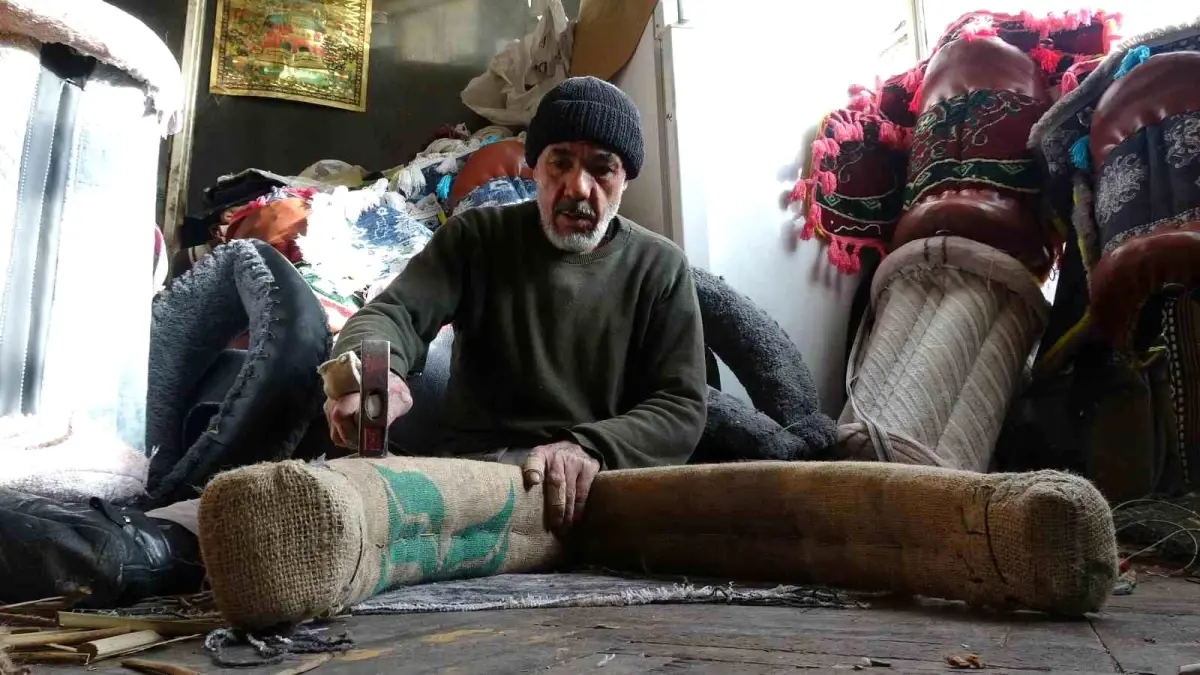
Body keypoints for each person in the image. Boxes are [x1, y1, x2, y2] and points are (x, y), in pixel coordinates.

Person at [325, 76, 708, 534]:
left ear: (625, 179)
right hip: (477, 472)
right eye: (559, 163)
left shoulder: (660, 267)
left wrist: (588, 447)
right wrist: (375, 373)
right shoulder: (476, 239)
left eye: (601, 169)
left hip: (596, 474)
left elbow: (681, 404)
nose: (577, 187)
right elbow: (395, 313)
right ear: (534, 167)